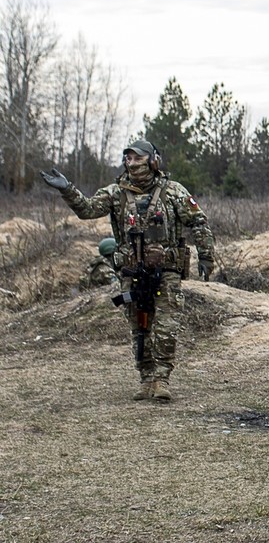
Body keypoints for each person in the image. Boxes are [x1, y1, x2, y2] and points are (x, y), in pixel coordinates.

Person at [41, 140, 216, 402]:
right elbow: (88, 210)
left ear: (152, 160)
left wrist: (206, 257)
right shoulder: (115, 192)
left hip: (166, 269)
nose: (131, 163)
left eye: (137, 158)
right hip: (131, 272)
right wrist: (67, 190)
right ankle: (146, 379)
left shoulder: (173, 191)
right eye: (128, 159)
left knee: (166, 326)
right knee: (139, 327)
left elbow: (198, 221)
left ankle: (161, 379)